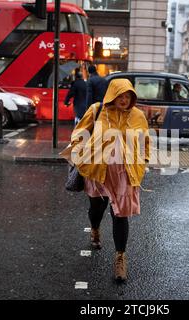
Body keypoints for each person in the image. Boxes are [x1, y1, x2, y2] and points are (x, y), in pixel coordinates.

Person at [69, 78, 150, 281]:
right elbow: (79, 133)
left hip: (124, 174)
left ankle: (120, 258)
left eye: (128, 96)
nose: (124, 100)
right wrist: (80, 152)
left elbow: (145, 142)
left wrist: (143, 161)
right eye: (120, 96)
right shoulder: (98, 110)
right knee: (97, 209)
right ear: (112, 94)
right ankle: (95, 229)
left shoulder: (138, 116)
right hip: (98, 172)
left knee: (120, 215)